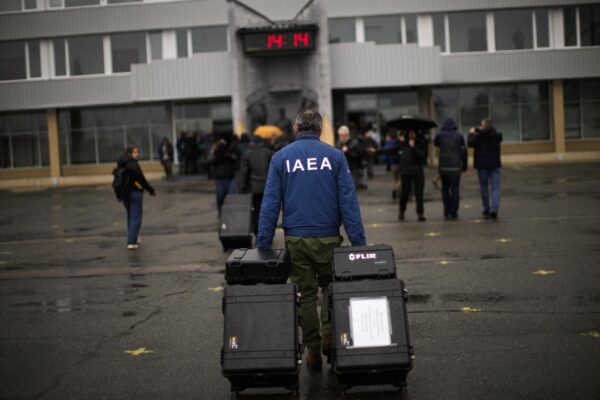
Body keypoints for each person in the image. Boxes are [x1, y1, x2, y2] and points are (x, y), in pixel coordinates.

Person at [257, 109, 366, 372]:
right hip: (328, 236)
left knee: (305, 294)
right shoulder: (336, 156)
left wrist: (263, 243)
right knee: (330, 287)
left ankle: (314, 350)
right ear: (319, 130)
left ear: (296, 129)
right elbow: (348, 202)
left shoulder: (281, 158)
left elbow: (270, 203)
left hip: (296, 237)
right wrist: (359, 243)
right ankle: (330, 334)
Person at [116, 146, 157, 250]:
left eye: (137, 152)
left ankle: (134, 237)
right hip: (135, 192)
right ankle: (131, 241)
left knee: (131, 216)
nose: (137, 154)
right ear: (129, 154)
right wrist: (151, 190)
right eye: (135, 152)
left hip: (124, 193)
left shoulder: (121, 164)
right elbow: (142, 180)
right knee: (136, 217)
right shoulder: (133, 165)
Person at [468, 117, 503, 220]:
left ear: (483, 126)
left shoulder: (478, 136)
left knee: (484, 187)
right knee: (495, 187)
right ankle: (495, 209)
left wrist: (471, 133)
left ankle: (487, 208)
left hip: (482, 165)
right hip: (495, 164)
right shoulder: (497, 136)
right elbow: (495, 134)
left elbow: (470, 143)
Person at [434, 118, 467, 220]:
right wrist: (464, 165)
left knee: (445, 189)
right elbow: (463, 152)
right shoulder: (459, 136)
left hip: (443, 167)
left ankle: (446, 210)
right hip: (455, 167)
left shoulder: (440, 136)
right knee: (455, 189)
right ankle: (454, 211)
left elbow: (435, 143)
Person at [239, 135, 273, 234]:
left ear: (252, 143)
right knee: (267, 211)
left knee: (256, 212)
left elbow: (244, 174)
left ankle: (258, 233)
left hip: (254, 188)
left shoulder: (247, 155)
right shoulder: (269, 153)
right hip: (268, 188)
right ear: (262, 143)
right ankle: (267, 233)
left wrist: (242, 189)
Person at [398, 130, 427, 221]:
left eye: (413, 133)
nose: (412, 135)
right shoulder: (404, 144)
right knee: (405, 193)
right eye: (410, 133)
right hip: (406, 172)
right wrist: (377, 151)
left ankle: (420, 213)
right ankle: (402, 211)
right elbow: (392, 149)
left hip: (417, 171)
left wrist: (413, 147)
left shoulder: (421, 143)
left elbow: (422, 156)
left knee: (419, 193)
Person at [208, 133, 239, 215]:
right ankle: (220, 211)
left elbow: (236, 161)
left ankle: (230, 212)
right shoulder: (215, 153)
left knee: (232, 197)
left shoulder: (229, 151)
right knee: (220, 197)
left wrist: (228, 155)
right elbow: (209, 161)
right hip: (220, 178)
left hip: (229, 177)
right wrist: (214, 150)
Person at [336, 125, 365, 189]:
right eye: (341, 135)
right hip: (342, 168)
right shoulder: (338, 143)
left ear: (347, 134)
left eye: (344, 135)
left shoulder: (355, 142)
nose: (342, 137)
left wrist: (348, 150)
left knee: (353, 186)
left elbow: (359, 155)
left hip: (353, 167)